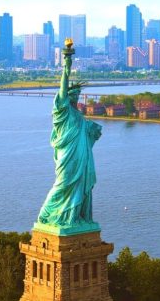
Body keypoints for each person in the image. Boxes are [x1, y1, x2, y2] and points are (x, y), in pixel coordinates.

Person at [37, 42, 101, 227]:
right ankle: (46, 215)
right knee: (63, 184)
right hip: (68, 157)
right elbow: (63, 88)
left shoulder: (78, 116)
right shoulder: (62, 111)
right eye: (74, 94)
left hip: (81, 156)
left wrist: (92, 132)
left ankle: (76, 218)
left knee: (80, 185)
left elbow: (86, 136)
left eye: (78, 95)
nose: (77, 97)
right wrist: (67, 64)